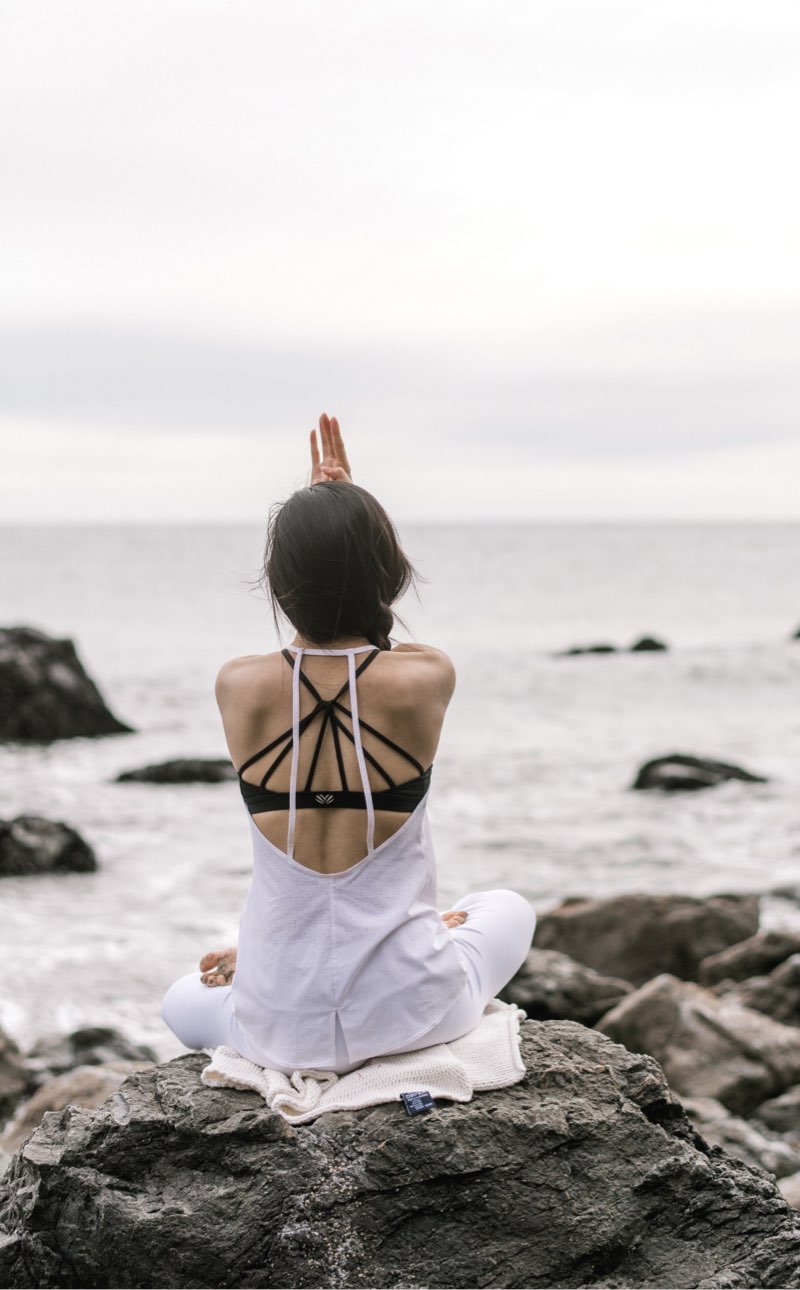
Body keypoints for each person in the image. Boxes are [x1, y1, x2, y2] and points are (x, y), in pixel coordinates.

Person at [161, 414, 536, 1074]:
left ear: (278, 583)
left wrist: (326, 529)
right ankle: (419, 934)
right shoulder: (424, 677)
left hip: (281, 1028)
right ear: (385, 576)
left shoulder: (238, 685)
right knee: (506, 908)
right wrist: (349, 524)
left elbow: (322, 640)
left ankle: (263, 959)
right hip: (415, 1012)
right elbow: (376, 638)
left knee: (179, 1001)